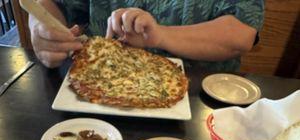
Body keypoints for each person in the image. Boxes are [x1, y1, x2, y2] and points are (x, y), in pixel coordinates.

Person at [29, 0, 264, 71]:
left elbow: (239, 34)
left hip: (199, 105)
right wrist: (43, 31)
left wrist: (160, 35)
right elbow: (46, 4)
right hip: (93, 89)